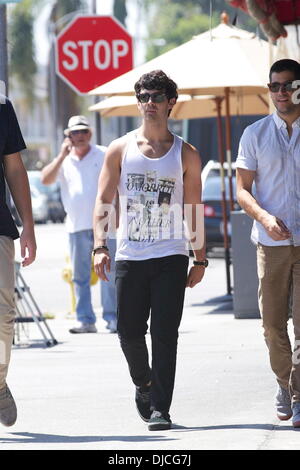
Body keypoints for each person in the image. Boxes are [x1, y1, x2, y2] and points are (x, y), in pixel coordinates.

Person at [93, 70, 207, 431]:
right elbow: (104, 200)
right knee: (127, 331)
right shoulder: (120, 148)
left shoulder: (186, 153)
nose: (149, 103)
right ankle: (143, 383)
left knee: (164, 334)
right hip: (130, 254)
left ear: (171, 102)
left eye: (157, 96)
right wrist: (100, 245)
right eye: (143, 96)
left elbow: (193, 207)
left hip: (172, 255)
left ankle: (161, 408)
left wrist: (199, 257)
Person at [236, 58, 300, 428]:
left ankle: (299, 392)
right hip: (270, 244)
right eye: (274, 86)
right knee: (272, 324)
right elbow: (242, 190)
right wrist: (264, 217)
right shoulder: (255, 134)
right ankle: (284, 383)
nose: (281, 92)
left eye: (288, 85)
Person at [41, 115, 117, 334]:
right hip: (76, 225)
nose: (80, 136)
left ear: (90, 134)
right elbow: (46, 180)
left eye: (84, 131)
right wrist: (61, 155)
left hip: (104, 223)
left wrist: (119, 210)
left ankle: (112, 318)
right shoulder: (63, 160)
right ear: (68, 136)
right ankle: (85, 320)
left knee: (108, 274)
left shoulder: (103, 154)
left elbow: (117, 182)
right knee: (80, 276)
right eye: (75, 132)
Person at [0, 96, 36, 426]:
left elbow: (13, 167)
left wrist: (28, 225)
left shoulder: (0, 106)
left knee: (3, 314)